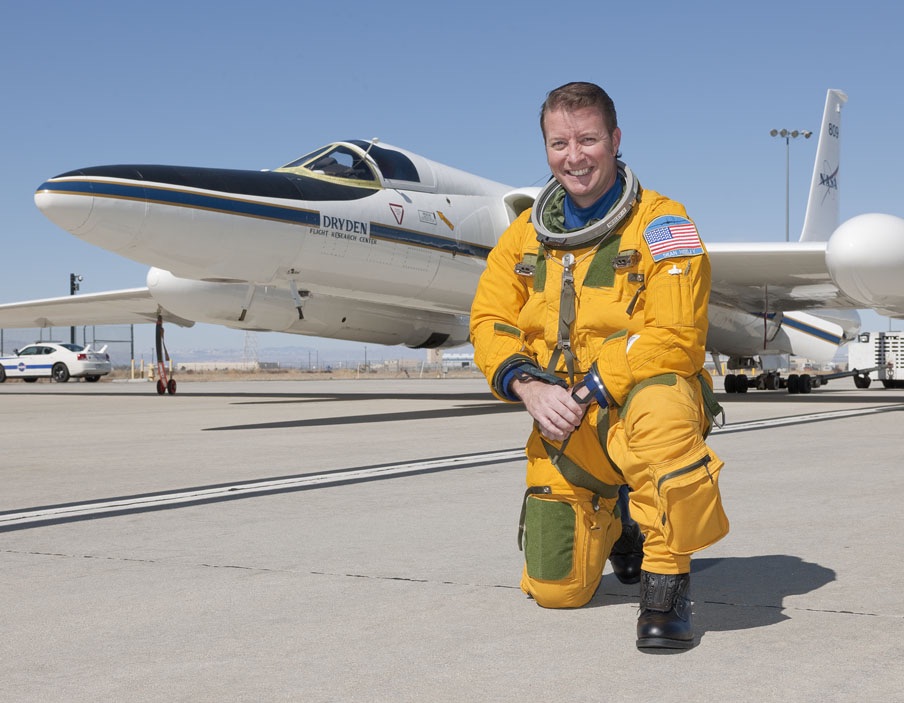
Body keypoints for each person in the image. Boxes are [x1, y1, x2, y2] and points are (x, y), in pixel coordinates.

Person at [470, 82, 728, 651]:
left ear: (614, 140)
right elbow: (489, 320)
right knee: (554, 590)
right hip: (562, 420)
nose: (575, 155)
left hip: (632, 403)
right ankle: (618, 517)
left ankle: (666, 587)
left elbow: (677, 334)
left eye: (588, 139)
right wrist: (527, 385)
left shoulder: (662, 223)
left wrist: (593, 383)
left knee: (662, 402)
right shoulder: (524, 237)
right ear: (545, 148)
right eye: (559, 143)